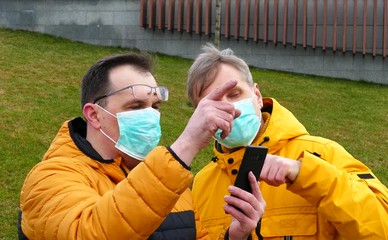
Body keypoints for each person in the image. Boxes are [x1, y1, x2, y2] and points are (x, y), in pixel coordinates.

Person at [18, 52, 266, 240]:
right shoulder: (50, 178)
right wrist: (187, 144)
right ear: (94, 115)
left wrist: (234, 235)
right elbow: (90, 232)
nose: (150, 116)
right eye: (136, 106)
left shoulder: (172, 185)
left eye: (155, 107)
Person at [187, 43, 388, 239]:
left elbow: (385, 231)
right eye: (213, 103)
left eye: (235, 94)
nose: (230, 109)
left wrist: (302, 172)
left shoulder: (323, 154)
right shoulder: (202, 184)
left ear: (257, 96)